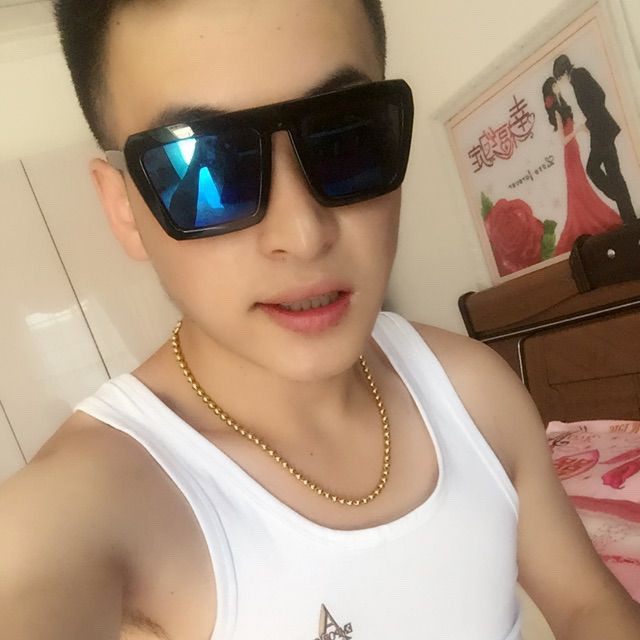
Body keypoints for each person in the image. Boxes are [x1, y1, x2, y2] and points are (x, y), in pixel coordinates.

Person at [1, 2, 640, 639]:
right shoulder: (83, 507)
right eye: (205, 168)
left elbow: (586, 604)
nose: (303, 234)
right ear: (123, 208)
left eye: (345, 137)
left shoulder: (475, 389)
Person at [541, 77, 622, 256]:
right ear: (550, 91)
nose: (557, 86)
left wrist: (583, 130)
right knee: (577, 189)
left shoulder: (563, 106)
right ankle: (585, 224)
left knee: (581, 187)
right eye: (554, 85)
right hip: (569, 153)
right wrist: (578, 129)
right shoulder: (557, 113)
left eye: (556, 84)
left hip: (575, 150)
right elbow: (563, 140)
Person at [553, 54, 636, 224]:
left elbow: (600, 95)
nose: (561, 82)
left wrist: (590, 122)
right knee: (614, 173)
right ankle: (629, 218)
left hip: (601, 129)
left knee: (593, 169)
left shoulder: (579, 75)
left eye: (559, 78)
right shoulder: (576, 79)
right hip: (601, 130)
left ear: (563, 73)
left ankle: (621, 200)